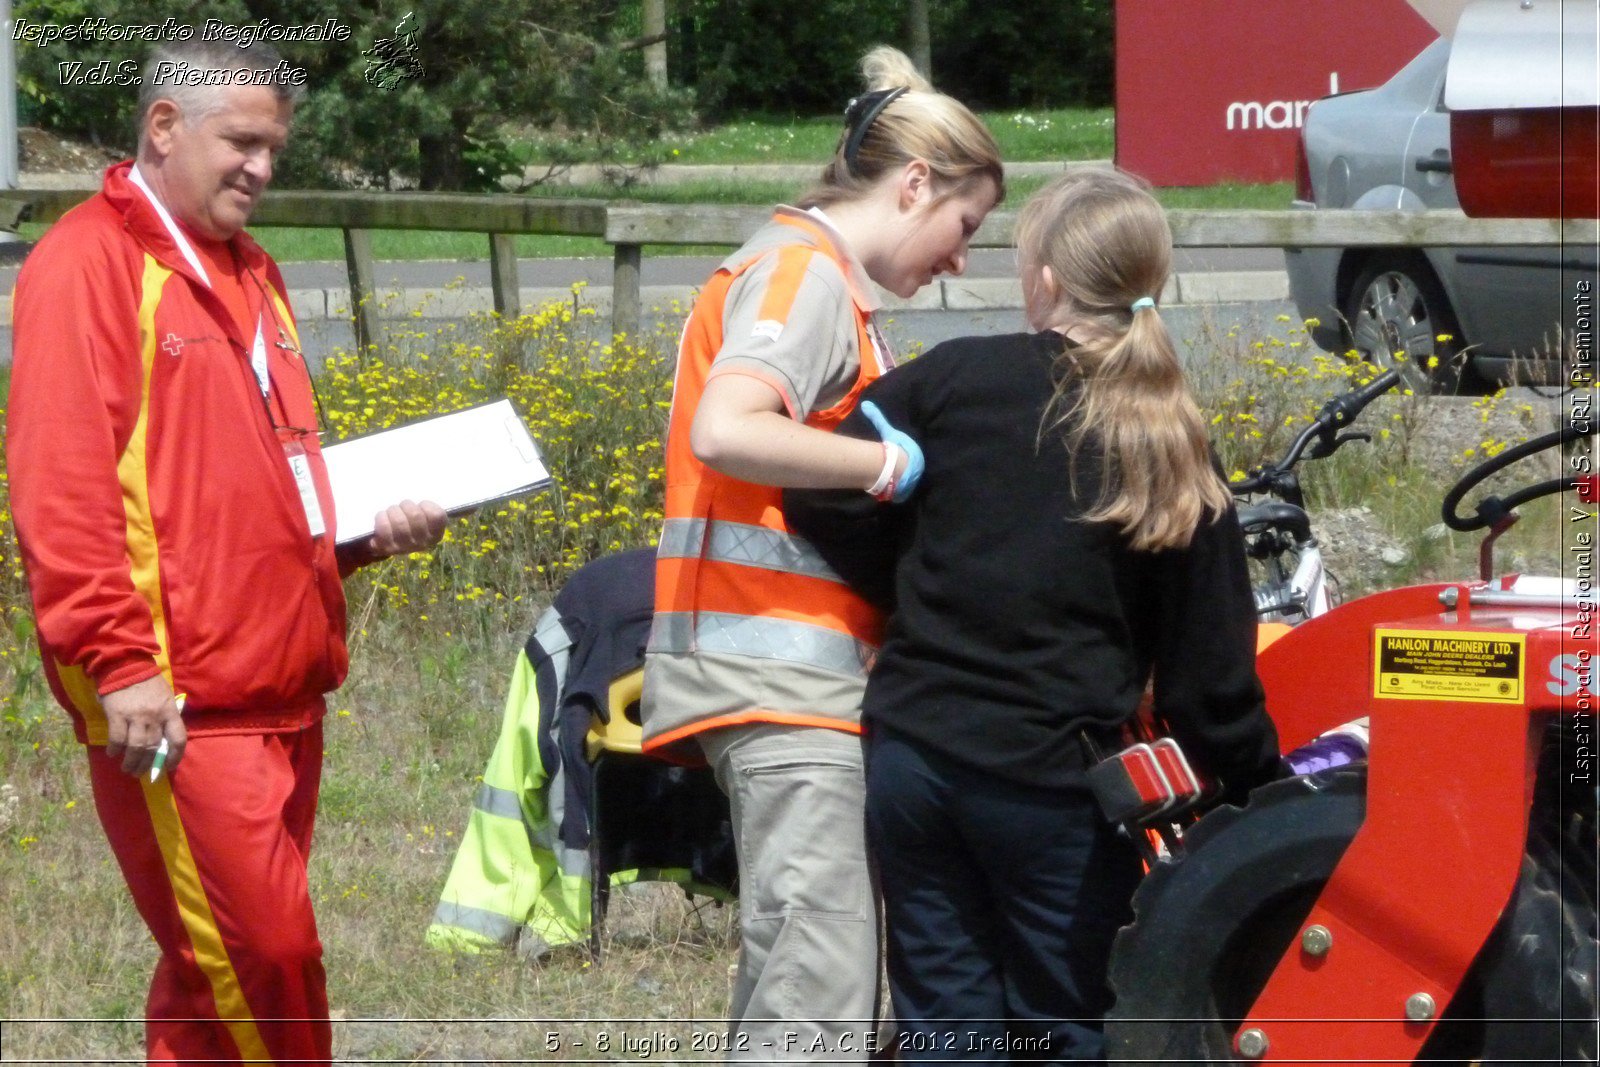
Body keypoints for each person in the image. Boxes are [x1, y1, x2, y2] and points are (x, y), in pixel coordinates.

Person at [5, 40, 446, 1066]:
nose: (260, 167)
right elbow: (61, 485)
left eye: (273, 149)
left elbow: (260, 489)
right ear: (164, 127)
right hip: (180, 700)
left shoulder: (254, 272)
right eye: (241, 141)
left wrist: (359, 537)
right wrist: (120, 663)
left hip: (283, 687)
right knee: (267, 960)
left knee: (217, 978)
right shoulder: (88, 263)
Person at [784, 168, 1285, 1062]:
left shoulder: (953, 380)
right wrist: (1261, 791)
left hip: (916, 755)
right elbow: (1212, 674)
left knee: (947, 1024)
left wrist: (917, 593)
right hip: (1055, 783)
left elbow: (820, 487)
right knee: (1069, 1024)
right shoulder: (1170, 436)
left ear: (1046, 277)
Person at [640, 45, 1003, 1059]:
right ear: (914, 184)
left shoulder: (820, 285)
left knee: (807, 977)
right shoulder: (799, 275)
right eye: (963, 227)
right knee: (823, 989)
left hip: (792, 681)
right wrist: (883, 472)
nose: (961, 260)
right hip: (774, 678)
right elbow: (728, 429)